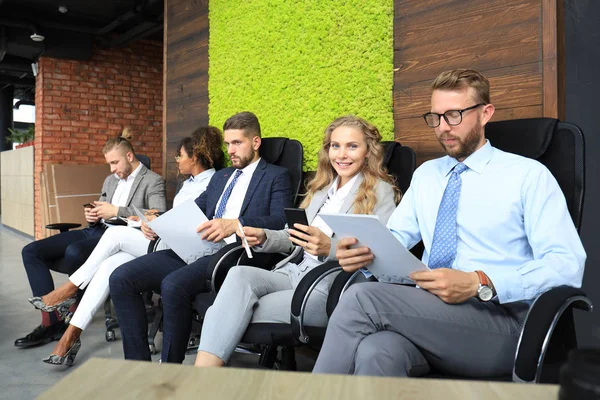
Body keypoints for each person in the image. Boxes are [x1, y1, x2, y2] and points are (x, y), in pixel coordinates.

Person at [311, 69, 586, 378]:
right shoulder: (427, 175)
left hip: (502, 322)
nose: (443, 128)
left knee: (362, 298)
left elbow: (567, 264)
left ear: (485, 113)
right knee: (377, 349)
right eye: (436, 117)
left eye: (454, 115)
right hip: (429, 311)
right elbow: (397, 238)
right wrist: (364, 252)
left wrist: (480, 281)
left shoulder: (528, 176)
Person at [193, 115, 400, 367]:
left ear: (368, 151)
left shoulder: (380, 191)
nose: (342, 155)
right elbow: (296, 238)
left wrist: (329, 248)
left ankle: (200, 381)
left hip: (325, 284)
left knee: (225, 310)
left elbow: (379, 254)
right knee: (238, 276)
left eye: (352, 146)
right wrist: (265, 236)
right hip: (292, 271)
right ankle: (203, 380)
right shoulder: (322, 188)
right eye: (335, 146)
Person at [31, 126, 225, 366]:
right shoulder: (189, 183)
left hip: (179, 245)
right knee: (110, 266)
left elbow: (196, 220)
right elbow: (173, 214)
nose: (176, 160)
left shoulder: (215, 181)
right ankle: (72, 333)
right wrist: (153, 220)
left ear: (194, 157)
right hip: (162, 236)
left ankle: (70, 289)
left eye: (180, 156)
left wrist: (154, 220)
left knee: (114, 238)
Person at [109, 111, 293, 361]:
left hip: (234, 253)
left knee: (173, 285)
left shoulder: (275, 176)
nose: (231, 150)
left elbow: (280, 220)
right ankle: (139, 364)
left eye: (237, 143)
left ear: (256, 143)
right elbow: (194, 209)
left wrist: (235, 224)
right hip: (198, 247)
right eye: (228, 144)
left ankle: (170, 367)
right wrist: (158, 221)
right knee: (121, 277)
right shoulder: (222, 176)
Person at [15, 129, 167, 349]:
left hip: (120, 236)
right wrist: (92, 215)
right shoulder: (110, 180)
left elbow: (158, 213)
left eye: (115, 163)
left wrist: (117, 211)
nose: (112, 169)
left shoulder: (153, 181)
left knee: (74, 252)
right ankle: (53, 321)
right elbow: (100, 206)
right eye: (109, 164)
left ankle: (69, 301)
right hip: (95, 231)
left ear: (129, 157)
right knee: (30, 251)